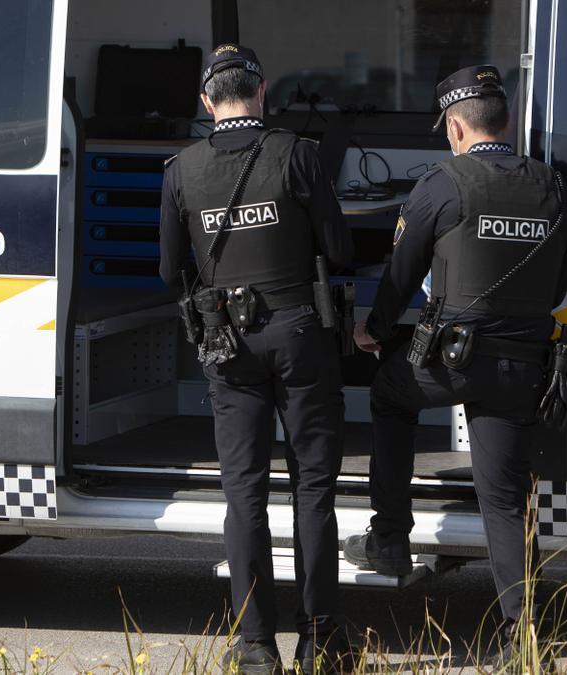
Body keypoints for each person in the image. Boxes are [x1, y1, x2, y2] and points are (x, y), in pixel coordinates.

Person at [345, 65, 567, 634]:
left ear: (454, 127)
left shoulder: (442, 184)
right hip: (522, 366)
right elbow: (559, 287)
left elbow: (401, 275)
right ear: (507, 120)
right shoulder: (552, 185)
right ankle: (525, 635)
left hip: (450, 362)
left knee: (388, 398)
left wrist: (372, 328)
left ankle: (391, 540)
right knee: (502, 499)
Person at [159, 44, 354, 674]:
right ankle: (321, 638)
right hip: (299, 334)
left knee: (243, 492)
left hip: (227, 343)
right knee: (313, 488)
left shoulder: (180, 170)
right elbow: (339, 247)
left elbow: (169, 270)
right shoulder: (296, 154)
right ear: (262, 91)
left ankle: (255, 649)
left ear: (206, 102)